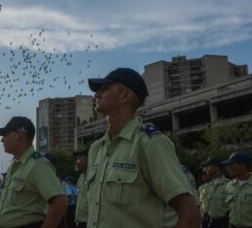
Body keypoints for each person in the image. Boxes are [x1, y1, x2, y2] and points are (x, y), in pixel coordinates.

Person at [86, 67, 200, 228]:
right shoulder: (96, 148)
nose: (97, 94)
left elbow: (190, 215)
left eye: (104, 89)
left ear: (125, 95)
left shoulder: (150, 143)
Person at [0, 116, 68, 228]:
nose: (2, 139)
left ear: (20, 135)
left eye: (6, 134)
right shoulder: (14, 166)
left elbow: (60, 202)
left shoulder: (37, 165)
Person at [223, 151, 252, 228]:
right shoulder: (229, 186)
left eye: (231, 165)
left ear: (243, 166)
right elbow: (230, 211)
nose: (228, 168)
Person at [200, 157, 230, 228]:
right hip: (208, 223)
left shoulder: (229, 185)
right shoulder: (206, 187)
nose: (206, 168)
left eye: (208, 166)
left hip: (223, 224)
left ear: (216, 167)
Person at [73, 148, 88, 228]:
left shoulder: (96, 176)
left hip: (90, 222)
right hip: (79, 221)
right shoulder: (80, 178)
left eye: (79, 159)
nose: (76, 162)